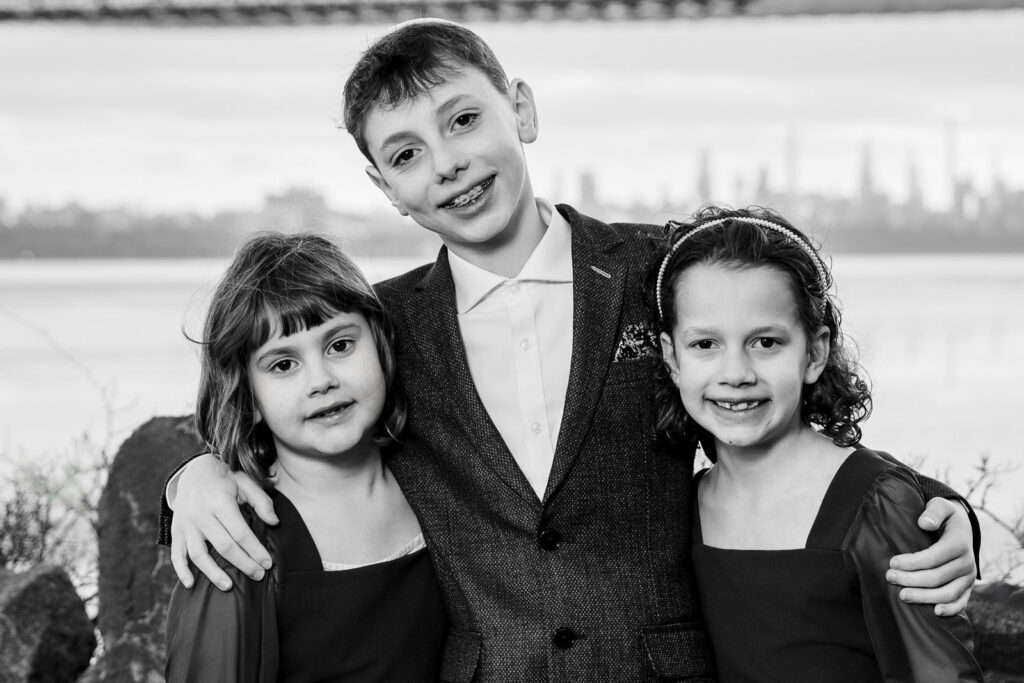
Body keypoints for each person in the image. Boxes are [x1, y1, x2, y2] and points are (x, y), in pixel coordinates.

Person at [159, 21, 980, 681]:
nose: (447, 164)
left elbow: (777, 425)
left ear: (522, 110)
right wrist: (189, 479)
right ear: (385, 189)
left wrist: (946, 513)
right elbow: (301, 429)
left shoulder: (656, 270)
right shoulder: (383, 326)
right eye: (406, 154)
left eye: (463, 120)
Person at [649, 206, 984, 682]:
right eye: (705, 345)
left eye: (765, 342)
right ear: (672, 358)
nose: (736, 374)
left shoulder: (876, 506)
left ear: (815, 352)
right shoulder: (680, 507)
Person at [163, 232, 446, 682]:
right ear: (248, 394)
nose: (321, 380)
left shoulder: (442, 477)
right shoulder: (240, 542)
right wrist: (197, 474)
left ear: (381, 345)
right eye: (283, 365)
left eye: (340, 345)